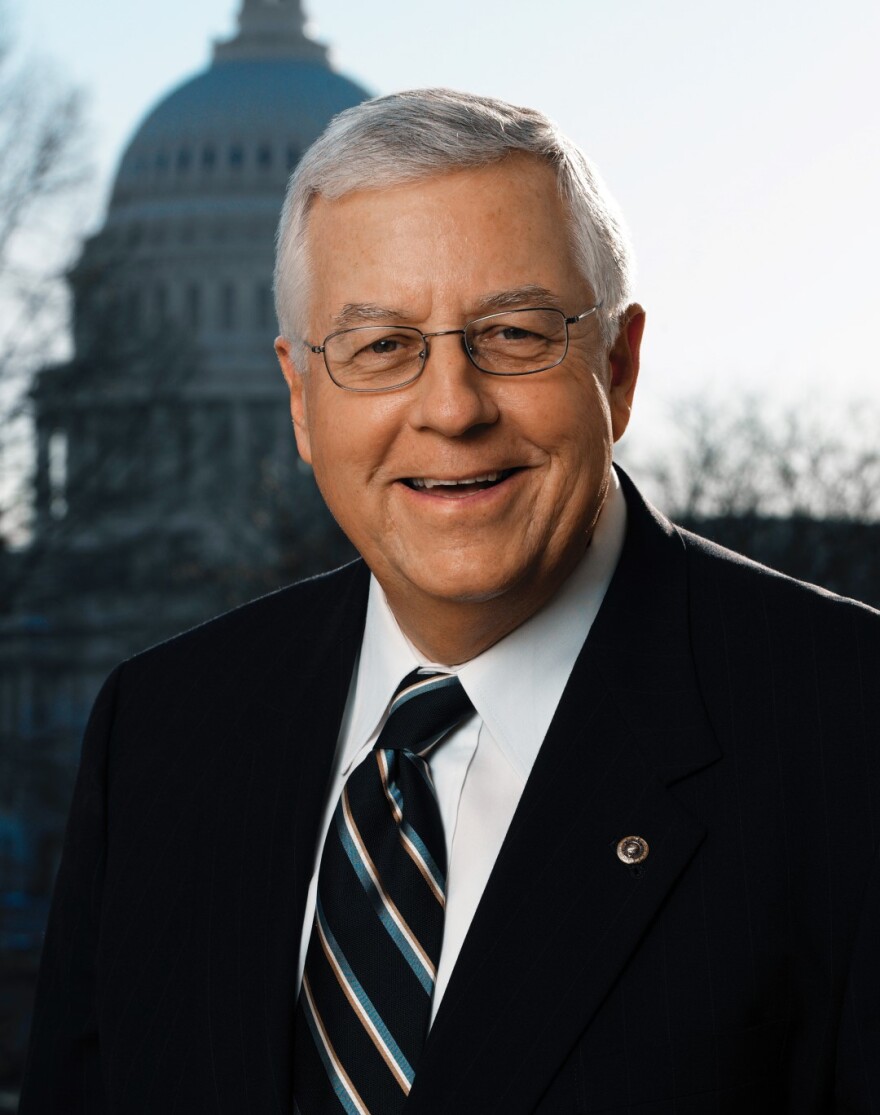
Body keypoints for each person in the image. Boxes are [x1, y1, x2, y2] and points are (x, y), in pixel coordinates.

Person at [20, 88, 880, 1114]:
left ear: (619, 363)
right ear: (298, 398)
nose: (450, 408)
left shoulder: (847, 731)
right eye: (380, 345)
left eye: (513, 333)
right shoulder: (160, 729)